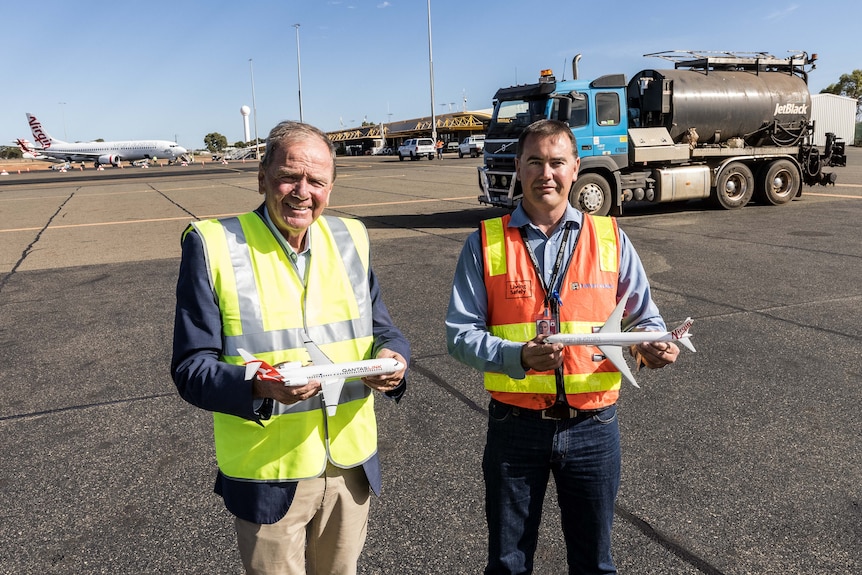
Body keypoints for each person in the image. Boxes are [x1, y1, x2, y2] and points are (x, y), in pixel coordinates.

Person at [172, 120, 410, 575]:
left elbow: (386, 331)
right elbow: (190, 368)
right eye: (289, 176)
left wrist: (396, 360)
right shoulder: (214, 244)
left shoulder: (351, 238)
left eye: (317, 181)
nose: (303, 191)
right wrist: (258, 386)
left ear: (332, 186)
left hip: (348, 467)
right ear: (261, 177)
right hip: (270, 474)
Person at [445, 119, 679, 575]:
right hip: (515, 427)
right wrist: (517, 357)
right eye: (534, 162)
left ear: (575, 168)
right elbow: (459, 335)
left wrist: (654, 345)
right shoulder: (485, 242)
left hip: (594, 425)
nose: (545, 173)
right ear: (518, 167)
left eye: (556, 162)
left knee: (595, 563)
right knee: (509, 564)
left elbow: (646, 317)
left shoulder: (610, 237)